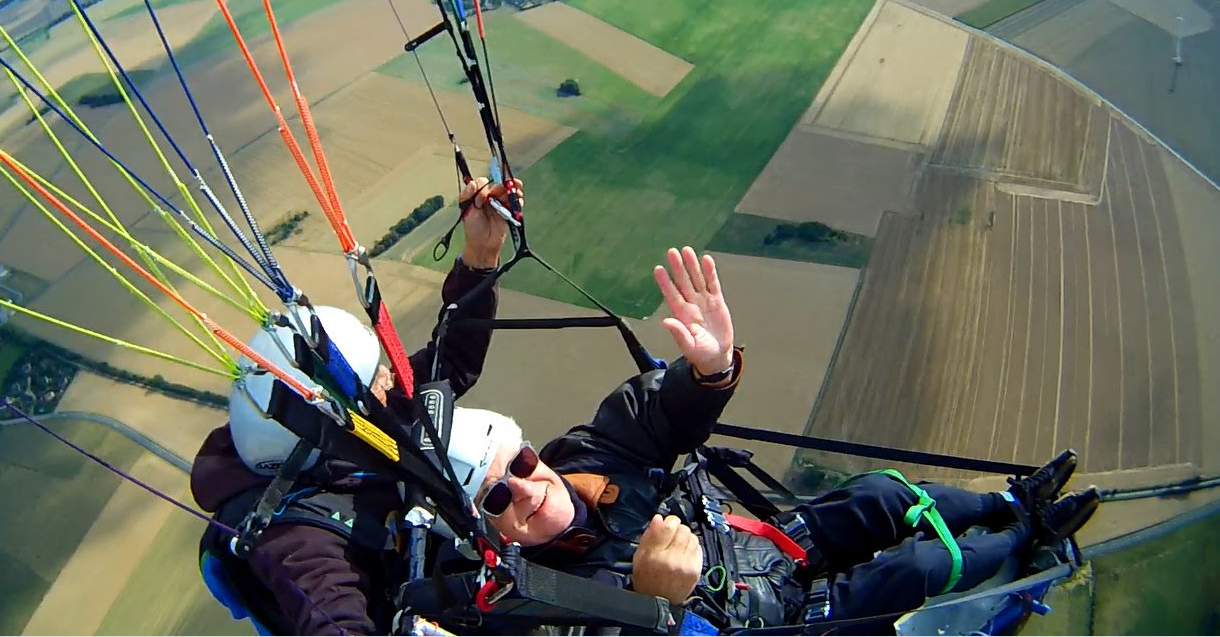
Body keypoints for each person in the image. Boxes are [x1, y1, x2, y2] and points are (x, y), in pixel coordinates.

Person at [449, 246, 1100, 631]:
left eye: (522, 461)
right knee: (916, 570)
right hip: (770, 617)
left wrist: (709, 367)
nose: (525, 491)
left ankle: (1010, 502)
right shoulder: (541, 595)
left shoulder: (587, 456)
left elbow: (651, 414)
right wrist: (655, 611)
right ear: (492, 533)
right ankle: (1027, 540)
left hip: (770, 545)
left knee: (878, 495)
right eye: (496, 498)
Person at [191, 176, 520, 635]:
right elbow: (332, 615)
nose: (391, 378)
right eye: (377, 377)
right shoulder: (296, 538)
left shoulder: (353, 427)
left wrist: (480, 258)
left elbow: (452, 366)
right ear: (325, 421)